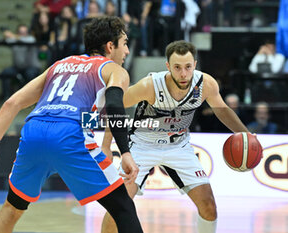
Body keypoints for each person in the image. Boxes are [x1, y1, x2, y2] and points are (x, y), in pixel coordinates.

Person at [0, 16, 143, 233]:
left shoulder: (59, 65)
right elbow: (114, 105)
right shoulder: (114, 70)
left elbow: (11, 103)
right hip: (70, 135)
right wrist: (125, 152)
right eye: (125, 43)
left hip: (33, 131)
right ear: (110, 46)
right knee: (124, 208)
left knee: (13, 207)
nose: (127, 51)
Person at [101, 40, 252, 233]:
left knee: (209, 207)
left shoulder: (205, 84)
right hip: (142, 146)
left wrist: (246, 135)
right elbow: (115, 108)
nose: (183, 73)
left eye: (188, 67)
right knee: (119, 205)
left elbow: (222, 111)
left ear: (195, 65)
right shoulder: (150, 86)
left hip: (179, 147)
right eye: (177, 67)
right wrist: (106, 145)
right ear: (168, 67)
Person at [0, 24, 41, 103]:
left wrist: (12, 35)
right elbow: (6, 41)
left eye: (24, 32)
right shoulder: (14, 40)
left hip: (32, 67)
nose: (23, 34)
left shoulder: (30, 39)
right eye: (20, 32)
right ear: (17, 32)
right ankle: (6, 97)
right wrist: (5, 36)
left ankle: (31, 100)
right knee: (5, 73)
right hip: (18, 68)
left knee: (30, 75)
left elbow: (30, 41)